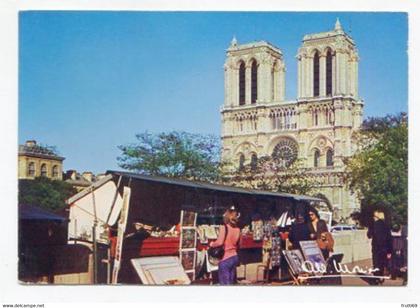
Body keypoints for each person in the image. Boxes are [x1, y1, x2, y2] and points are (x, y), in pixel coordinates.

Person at [209, 205, 241, 285]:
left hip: (225, 258)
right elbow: (239, 244)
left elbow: (219, 242)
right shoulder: (238, 230)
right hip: (234, 257)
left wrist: (212, 244)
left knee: (224, 283)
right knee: (231, 281)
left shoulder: (224, 228)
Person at [367, 210, 392, 284]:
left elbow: (369, 235)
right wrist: (389, 251)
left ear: (376, 217)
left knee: (376, 263)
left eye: (374, 216)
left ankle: (377, 278)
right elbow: (389, 239)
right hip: (384, 248)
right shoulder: (386, 225)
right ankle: (381, 277)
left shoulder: (373, 225)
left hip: (376, 248)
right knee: (382, 263)